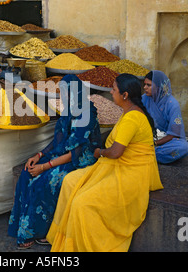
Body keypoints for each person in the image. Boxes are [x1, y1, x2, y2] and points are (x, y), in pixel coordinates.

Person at [46, 73, 163, 252]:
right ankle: (67, 241)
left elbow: (115, 152)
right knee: (69, 181)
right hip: (114, 165)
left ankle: (87, 247)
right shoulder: (128, 112)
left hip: (130, 173)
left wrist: (99, 152)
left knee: (82, 203)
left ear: (124, 95)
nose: (110, 91)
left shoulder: (132, 118)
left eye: (114, 89)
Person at [8, 74, 101, 249]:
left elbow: (76, 151)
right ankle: (23, 227)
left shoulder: (87, 114)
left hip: (81, 159)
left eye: (66, 92)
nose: (62, 96)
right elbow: (58, 141)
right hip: (63, 153)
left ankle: (41, 232)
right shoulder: (68, 111)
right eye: (62, 92)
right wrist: (39, 156)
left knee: (45, 181)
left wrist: (45, 166)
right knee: (27, 174)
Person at [142, 70, 188, 164]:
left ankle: (148, 154)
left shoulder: (172, 104)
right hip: (147, 136)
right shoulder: (144, 98)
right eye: (145, 84)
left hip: (166, 139)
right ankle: (146, 153)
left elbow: (174, 133)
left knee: (183, 147)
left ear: (159, 87)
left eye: (149, 85)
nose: (144, 87)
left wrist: (154, 143)